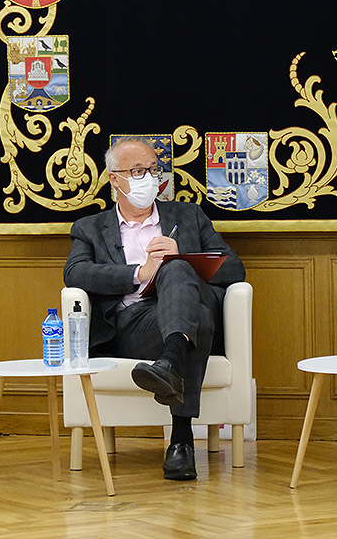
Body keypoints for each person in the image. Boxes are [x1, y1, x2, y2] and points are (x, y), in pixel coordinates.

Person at [64, 138, 246, 481]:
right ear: (114, 179)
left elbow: (235, 268)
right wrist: (139, 273)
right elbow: (75, 273)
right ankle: (181, 439)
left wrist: (181, 256)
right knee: (198, 322)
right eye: (137, 171)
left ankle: (170, 363)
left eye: (153, 169)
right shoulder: (90, 228)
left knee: (176, 269)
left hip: (188, 306)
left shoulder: (188, 216)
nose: (149, 178)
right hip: (136, 324)